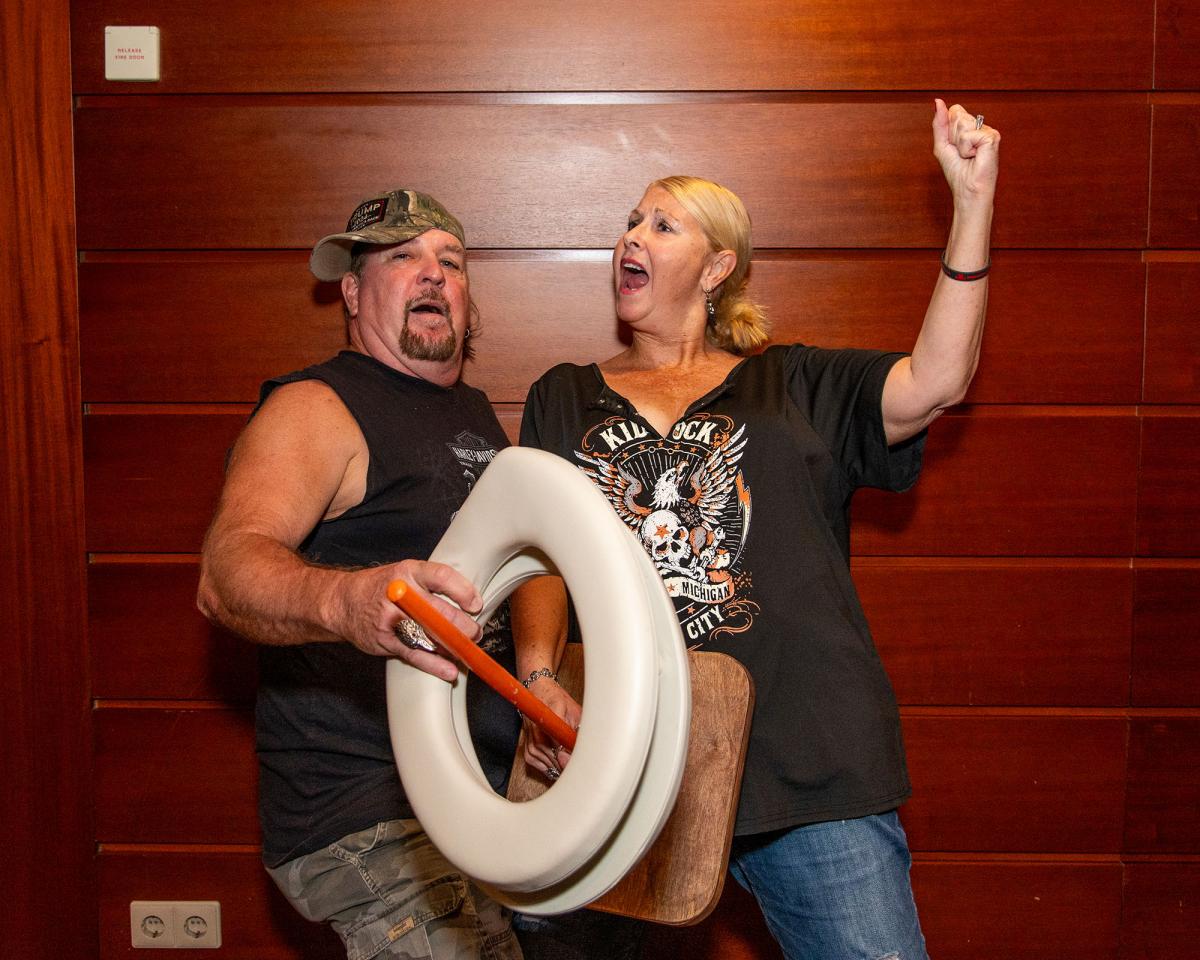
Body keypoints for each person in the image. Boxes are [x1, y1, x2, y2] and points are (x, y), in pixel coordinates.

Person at [513, 100, 999, 959]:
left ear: (716, 269)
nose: (631, 237)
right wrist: (538, 681)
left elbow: (936, 381)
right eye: (631, 220)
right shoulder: (563, 394)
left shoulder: (794, 386)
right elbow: (537, 552)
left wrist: (972, 204)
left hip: (805, 761)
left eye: (663, 224)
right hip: (619, 764)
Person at [197, 188, 524, 960]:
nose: (434, 274)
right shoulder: (317, 406)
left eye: (451, 262)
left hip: (471, 799)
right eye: (403, 257)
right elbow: (226, 571)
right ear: (351, 292)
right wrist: (347, 600)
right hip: (368, 810)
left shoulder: (473, 413)